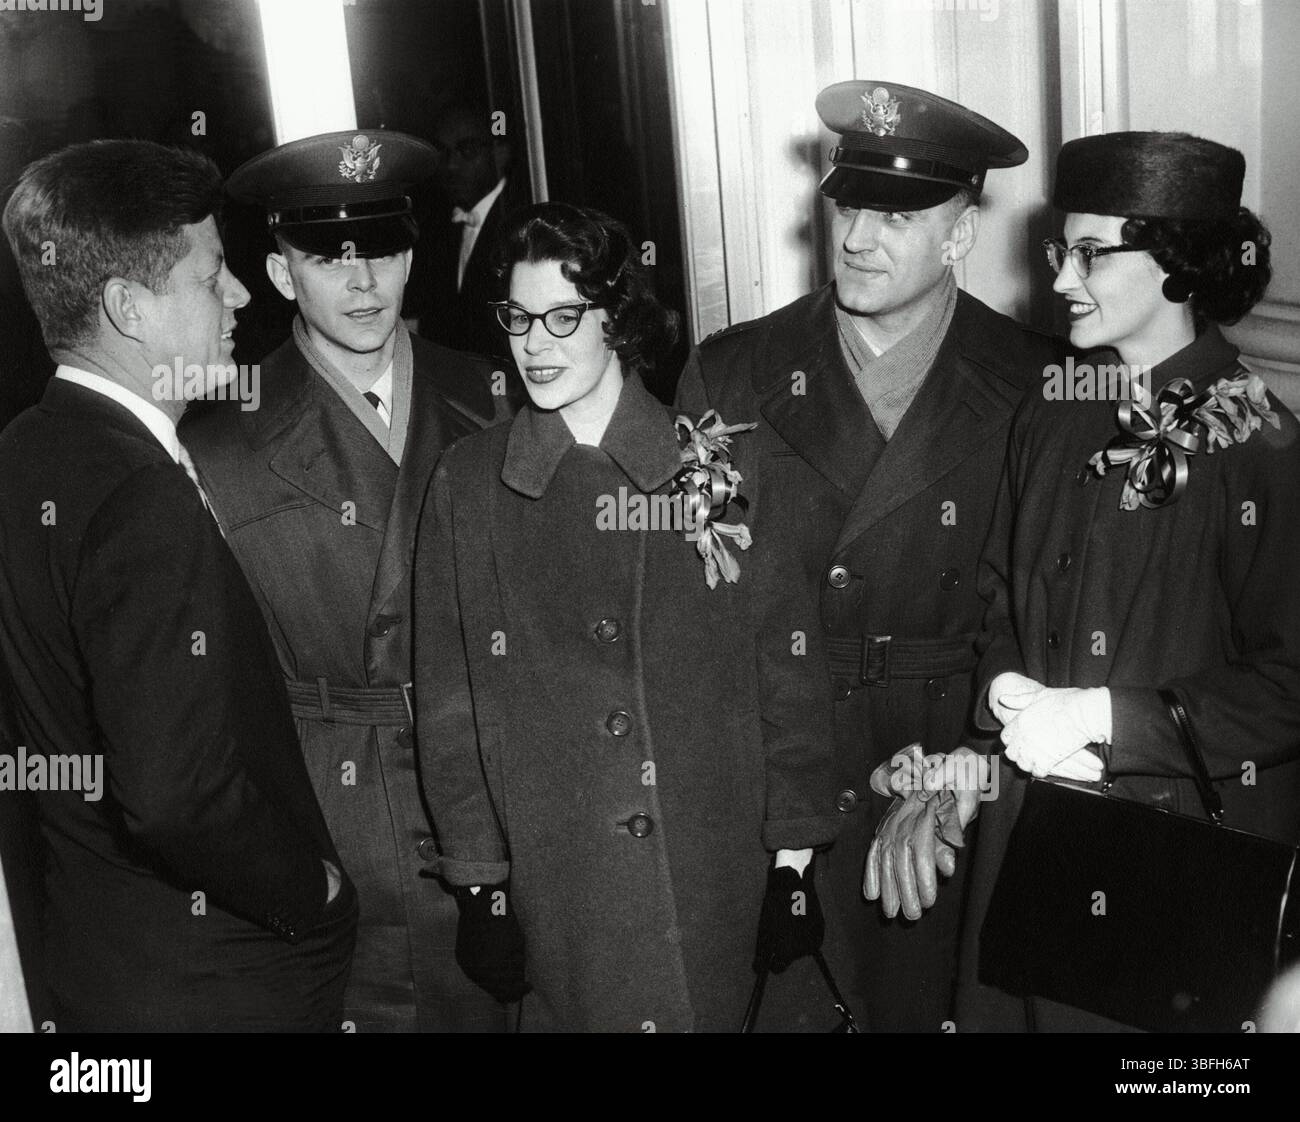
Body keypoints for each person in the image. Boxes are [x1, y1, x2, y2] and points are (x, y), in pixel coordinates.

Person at [675, 80, 1062, 1030]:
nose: (856, 238)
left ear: (962, 232)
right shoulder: (731, 371)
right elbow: (698, 607)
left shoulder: (1037, 384)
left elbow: (1046, 623)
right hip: (781, 770)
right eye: (851, 203)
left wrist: (974, 769)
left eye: (898, 216)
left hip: (953, 761)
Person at [413, 202, 840, 1032]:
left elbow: (785, 676)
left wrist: (792, 863)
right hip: (564, 893)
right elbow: (449, 706)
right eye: (517, 318)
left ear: (620, 320)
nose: (534, 345)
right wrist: (480, 888)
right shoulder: (467, 487)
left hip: (718, 876)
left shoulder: (721, 467)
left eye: (564, 317)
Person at [0, 139, 357, 1031]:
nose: (239, 295)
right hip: (219, 987)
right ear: (128, 307)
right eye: (210, 277)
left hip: (97, 971)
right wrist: (309, 894)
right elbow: (171, 800)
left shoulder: (26, 451)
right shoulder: (142, 493)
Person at [950, 131, 1300, 1030]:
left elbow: (1290, 686)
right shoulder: (1052, 407)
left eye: (1093, 253)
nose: (1063, 275)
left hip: (1174, 863)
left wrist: (1107, 720)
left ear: (1180, 268)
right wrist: (1008, 686)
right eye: (1060, 249)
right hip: (1032, 838)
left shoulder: (1261, 445)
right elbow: (995, 596)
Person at [182, 129, 516, 1033]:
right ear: (282, 274)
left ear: (414, 256)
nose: (363, 283)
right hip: (340, 831)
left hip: (496, 811)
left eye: (383, 250)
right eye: (328, 257)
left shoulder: (496, 397)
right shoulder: (219, 443)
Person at [403, 102, 527, 358]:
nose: (451, 165)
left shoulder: (520, 224)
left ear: (500, 153)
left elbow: (493, 326)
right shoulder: (435, 220)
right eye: (444, 152)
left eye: (467, 150)